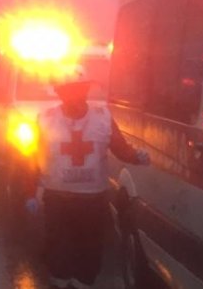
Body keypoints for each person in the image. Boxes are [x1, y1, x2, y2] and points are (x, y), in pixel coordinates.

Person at [24, 65, 150, 289]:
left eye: (80, 90)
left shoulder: (103, 118)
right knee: (58, 251)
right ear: (60, 93)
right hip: (58, 200)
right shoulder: (45, 119)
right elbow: (32, 159)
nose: (75, 95)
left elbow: (120, 148)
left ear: (86, 91)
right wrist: (29, 193)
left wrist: (136, 156)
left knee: (89, 251)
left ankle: (83, 283)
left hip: (92, 201)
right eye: (69, 91)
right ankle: (61, 282)